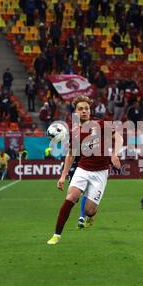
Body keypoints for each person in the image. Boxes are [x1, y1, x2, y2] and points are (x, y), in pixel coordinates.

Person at [47, 95, 122, 245]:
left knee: (89, 210)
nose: (84, 111)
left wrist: (114, 154)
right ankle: (56, 235)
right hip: (83, 169)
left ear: (90, 110)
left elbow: (118, 137)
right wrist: (63, 176)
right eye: (80, 109)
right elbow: (71, 156)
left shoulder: (100, 124)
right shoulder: (75, 132)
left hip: (100, 172)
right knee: (71, 197)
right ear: (75, 112)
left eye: (86, 108)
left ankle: (90, 216)